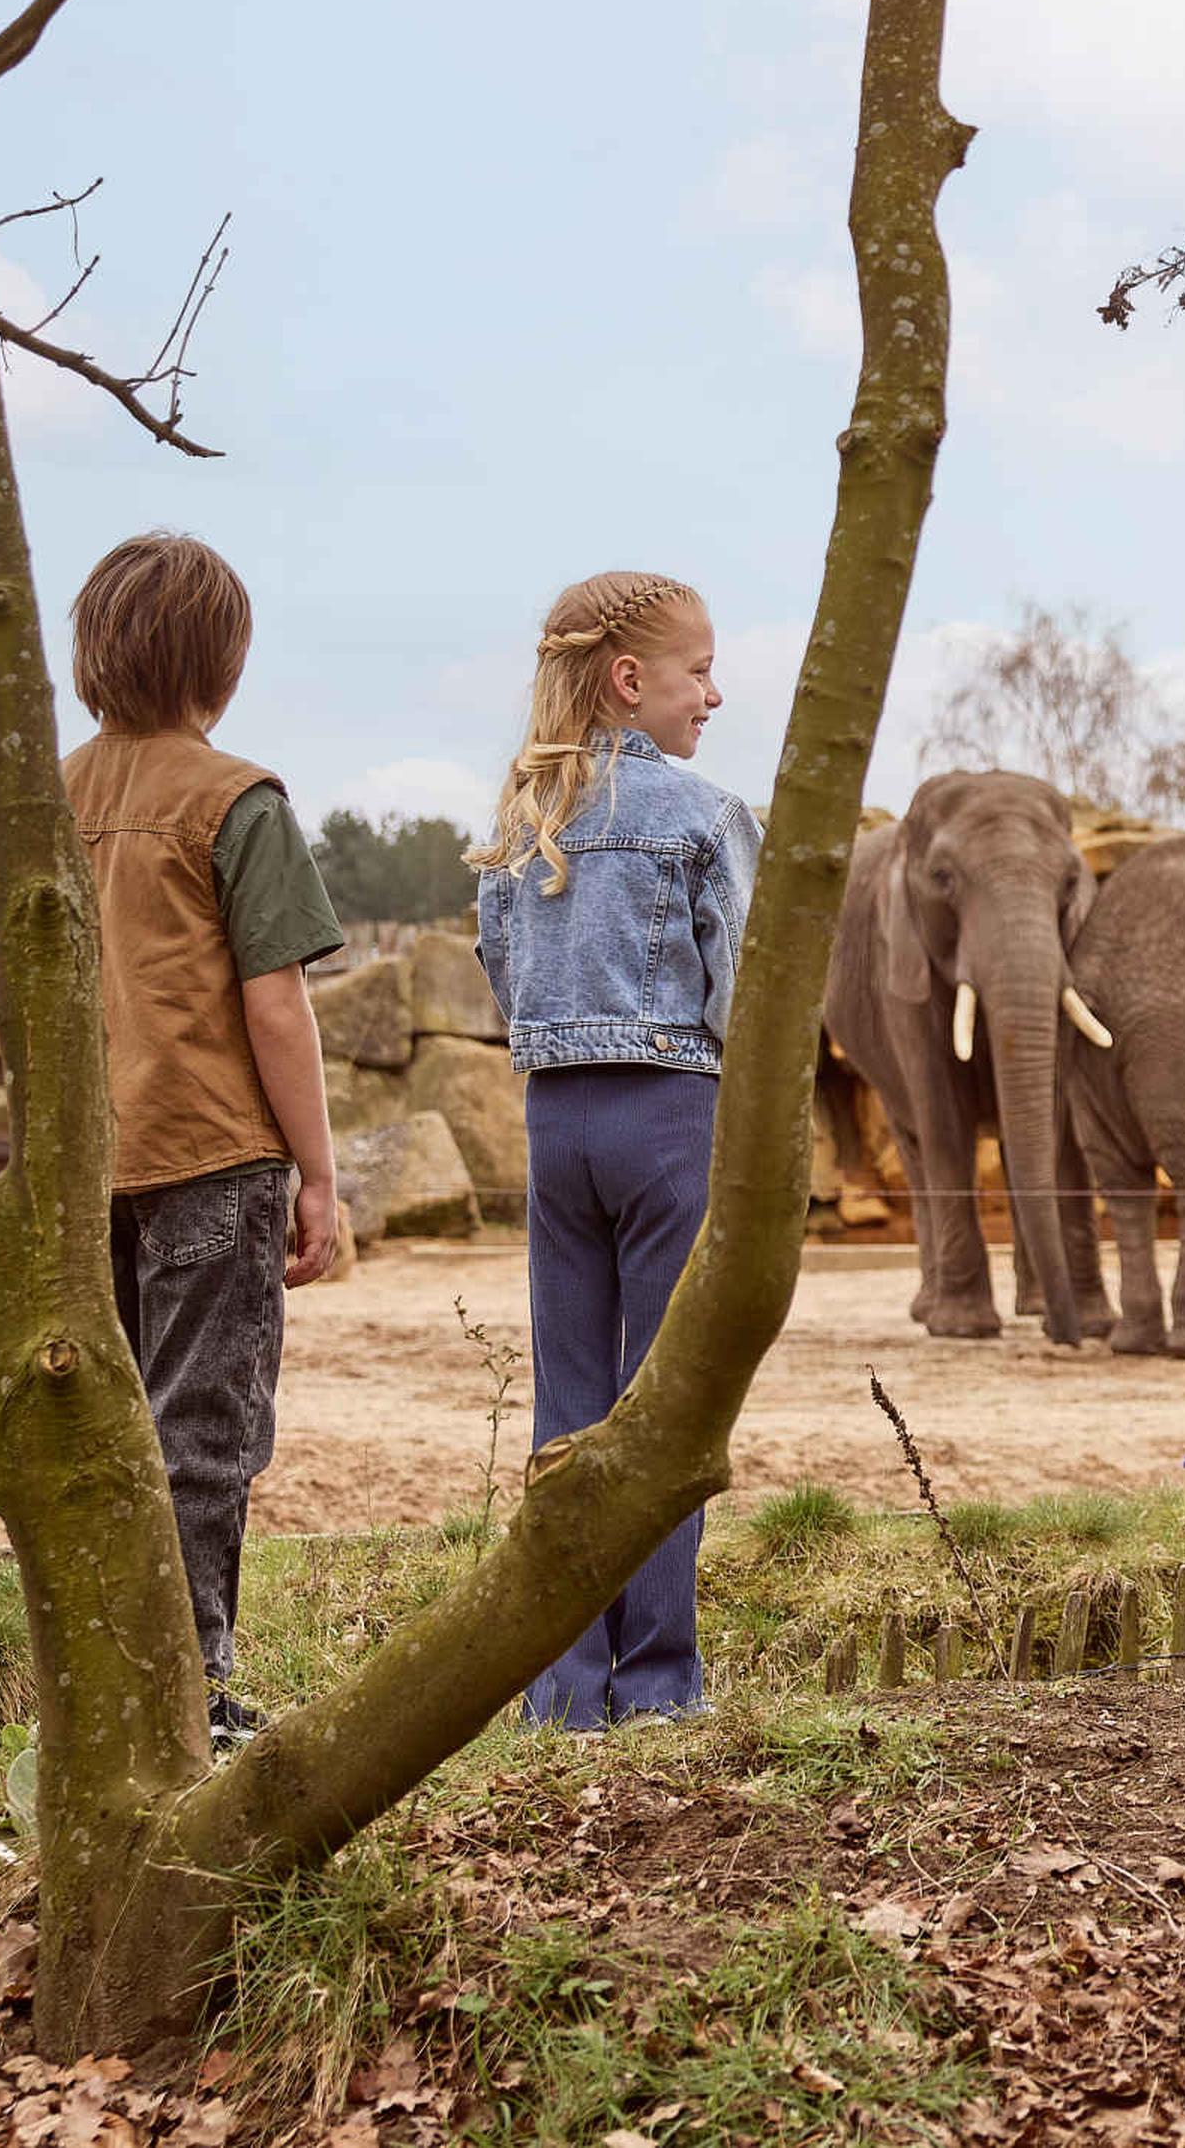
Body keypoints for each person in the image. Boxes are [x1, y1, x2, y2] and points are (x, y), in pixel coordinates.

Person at [61, 533, 348, 1750]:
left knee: (109, 1435)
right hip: (214, 1159)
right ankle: (194, 1697)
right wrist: (319, 1172)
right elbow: (274, 1004)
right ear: (222, 668)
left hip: (88, 1163)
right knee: (204, 1434)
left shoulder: (48, 798)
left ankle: (106, 1685)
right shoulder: (239, 800)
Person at [470, 569, 757, 1731]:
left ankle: (563, 1687)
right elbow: (742, 988)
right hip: (671, 1120)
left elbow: (501, 966)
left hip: (558, 1128)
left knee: (570, 1408)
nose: (716, 694)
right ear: (632, 682)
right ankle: (658, 1687)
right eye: (699, 671)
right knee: (665, 1410)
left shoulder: (521, 820)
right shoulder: (705, 817)